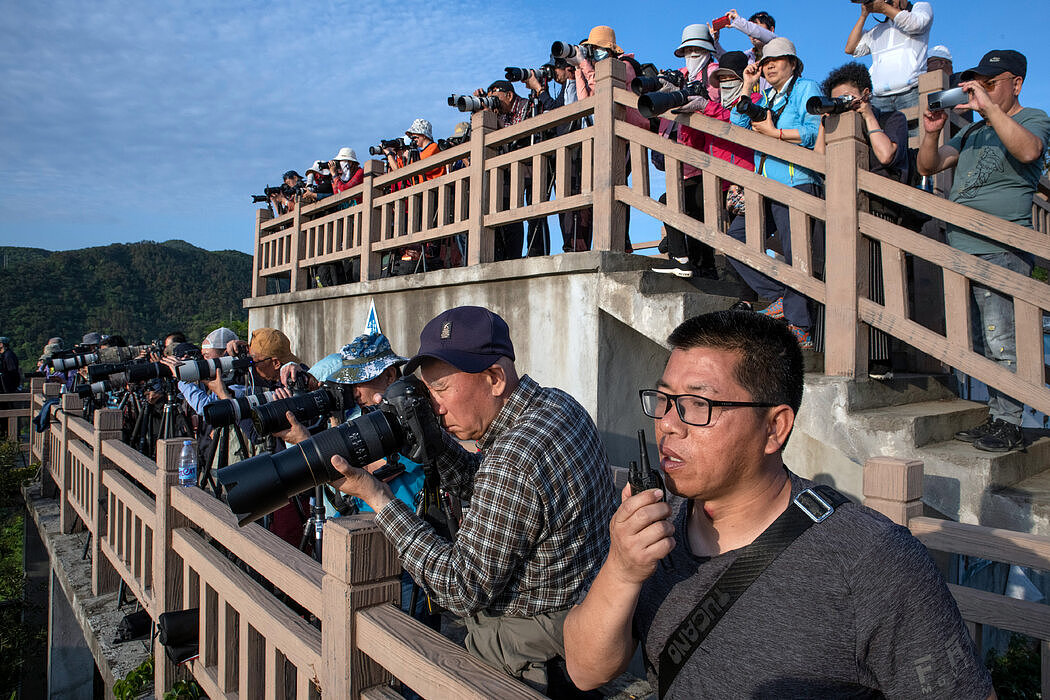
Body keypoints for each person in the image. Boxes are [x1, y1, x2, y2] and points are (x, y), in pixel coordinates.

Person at [563, 310, 994, 698]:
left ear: (775, 428)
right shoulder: (658, 525)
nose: (669, 425)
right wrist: (622, 568)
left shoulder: (871, 561)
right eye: (664, 400)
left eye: (699, 404)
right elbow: (586, 671)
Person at [329, 305, 616, 694]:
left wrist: (378, 498)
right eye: (429, 391)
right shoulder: (557, 405)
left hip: (528, 663)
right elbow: (495, 493)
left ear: (494, 379)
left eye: (442, 389)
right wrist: (434, 441)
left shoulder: (514, 455)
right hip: (576, 630)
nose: (436, 405)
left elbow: (461, 586)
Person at [917, 49, 1050, 452]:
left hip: (1002, 246)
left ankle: (1011, 422)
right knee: (977, 340)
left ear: (1017, 84)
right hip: (960, 246)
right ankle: (995, 415)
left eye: (990, 83)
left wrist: (989, 108)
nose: (980, 91)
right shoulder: (971, 133)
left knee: (1003, 340)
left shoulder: (1033, 119)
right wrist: (931, 131)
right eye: (977, 83)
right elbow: (928, 166)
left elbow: (1028, 152)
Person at [727, 37, 823, 349]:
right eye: (765, 61)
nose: (769, 65)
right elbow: (737, 124)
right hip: (764, 183)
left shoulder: (807, 88)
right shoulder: (764, 95)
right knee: (735, 240)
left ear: (793, 63)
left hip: (796, 182)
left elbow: (813, 131)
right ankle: (780, 295)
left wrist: (775, 134)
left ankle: (801, 327)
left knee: (798, 255)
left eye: (777, 60)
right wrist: (748, 85)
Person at [816, 61, 910, 376]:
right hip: (842, 212)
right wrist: (825, 123)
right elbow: (818, 163)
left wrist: (867, 115)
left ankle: (879, 359)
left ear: (865, 94)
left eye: (848, 99)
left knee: (876, 286)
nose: (844, 105)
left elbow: (886, 155)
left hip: (880, 212)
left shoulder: (891, 118)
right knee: (836, 282)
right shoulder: (836, 123)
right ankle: (828, 351)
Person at [651, 24, 723, 279]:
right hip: (679, 156)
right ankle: (692, 263)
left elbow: (719, 106)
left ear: (708, 50)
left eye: (697, 49)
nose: (692, 54)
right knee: (683, 207)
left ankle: (699, 265)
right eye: (688, 50)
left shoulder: (716, 74)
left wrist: (701, 100)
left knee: (696, 211)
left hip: (706, 156)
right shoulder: (680, 74)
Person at [844, 0, 933, 114]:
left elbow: (916, 25)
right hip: (879, 97)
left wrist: (883, 8)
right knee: (881, 132)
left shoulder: (920, 8)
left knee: (916, 132)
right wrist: (863, 15)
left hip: (911, 92)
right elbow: (850, 48)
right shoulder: (878, 30)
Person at [714, 10, 777, 90]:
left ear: (771, 30)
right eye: (750, 32)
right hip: (753, 100)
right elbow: (728, 62)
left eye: (758, 28)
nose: (752, 34)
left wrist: (739, 22)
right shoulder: (747, 56)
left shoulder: (779, 49)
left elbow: (757, 32)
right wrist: (714, 42)